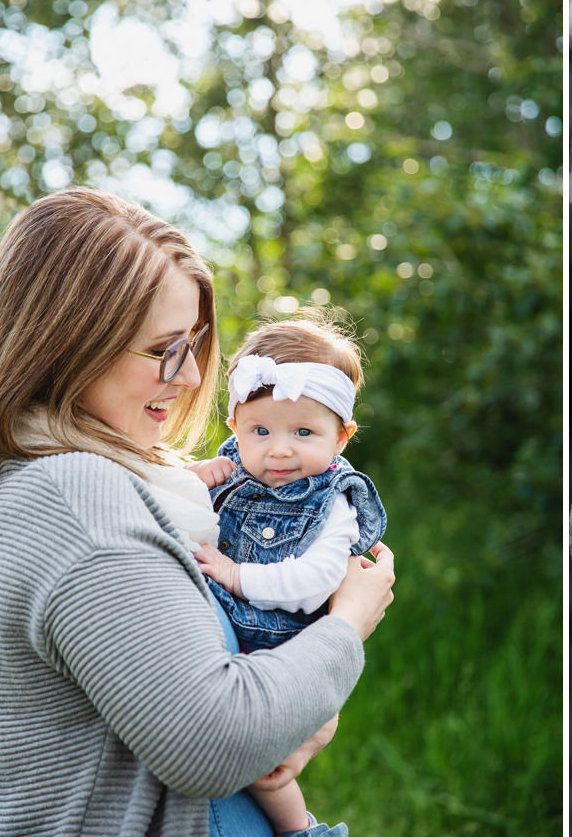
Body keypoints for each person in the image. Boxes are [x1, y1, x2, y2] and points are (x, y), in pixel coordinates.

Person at [0, 187, 396, 837]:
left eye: (195, 345)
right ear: (69, 341)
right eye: (164, 349)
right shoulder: (79, 499)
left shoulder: (111, 480)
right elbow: (214, 741)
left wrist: (292, 726)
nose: (192, 376)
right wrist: (348, 626)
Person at [186, 313, 387, 835]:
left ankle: (301, 830)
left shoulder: (333, 501)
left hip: (285, 649)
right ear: (234, 427)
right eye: (260, 430)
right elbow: (177, 508)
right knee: (234, 748)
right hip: (228, 649)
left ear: (341, 437)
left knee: (269, 772)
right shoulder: (230, 467)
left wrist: (236, 575)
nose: (279, 449)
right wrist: (192, 478)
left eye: (304, 431)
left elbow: (316, 581)